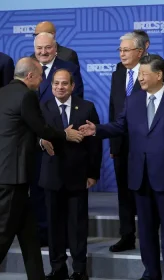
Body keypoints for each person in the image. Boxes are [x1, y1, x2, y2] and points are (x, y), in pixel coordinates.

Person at [79, 54, 164, 280]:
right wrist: (97, 130)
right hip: (139, 175)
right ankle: (151, 272)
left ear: (158, 75)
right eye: (139, 74)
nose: (139, 78)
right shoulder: (133, 101)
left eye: (143, 74)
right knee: (146, 229)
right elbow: (120, 126)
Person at [0, 57, 83, 280]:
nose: (43, 79)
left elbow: (19, 127)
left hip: (13, 174)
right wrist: (64, 134)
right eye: (40, 75)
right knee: (3, 234)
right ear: (30, 76)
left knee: (29, 236)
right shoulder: (26, 95)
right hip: (13, 178)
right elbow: (41, 127)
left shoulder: (3, 92)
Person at [39, 69, 102, 280]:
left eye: (64, 83)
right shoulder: (42, 108)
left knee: (77, 226)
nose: (59, 87)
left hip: (78, 177)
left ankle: (78, 269)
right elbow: (33, 136)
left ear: (72, 86)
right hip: (51, 176)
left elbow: (95, 145)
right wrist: (43, 141)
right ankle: (58, 267)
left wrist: (93, 173)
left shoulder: (86, 108)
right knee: (54, 225)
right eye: (56, 83)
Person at [32, 31, 84, 247]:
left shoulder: (68, 67)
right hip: (35, 140)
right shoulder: (29, 67)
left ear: (55, 48)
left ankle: (62, 238)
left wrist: (62, 135)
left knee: (61, 195)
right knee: (37, 190)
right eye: (39, 48)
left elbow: (77, 102)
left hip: (64, 142)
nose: (43, 52)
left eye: (47, 48)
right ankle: (43, 234)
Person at [107, 31, 145, 253]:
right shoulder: (118, 74)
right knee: (124, 192)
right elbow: (113, 108)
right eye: (120, 50)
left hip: (146, 145)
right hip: (122, 143)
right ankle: (127, 235)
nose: (122, 54)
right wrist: (113, 143)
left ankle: (149, 234)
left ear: (140, 52)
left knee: (145, 191)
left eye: (126, 50)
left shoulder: (153, 71)